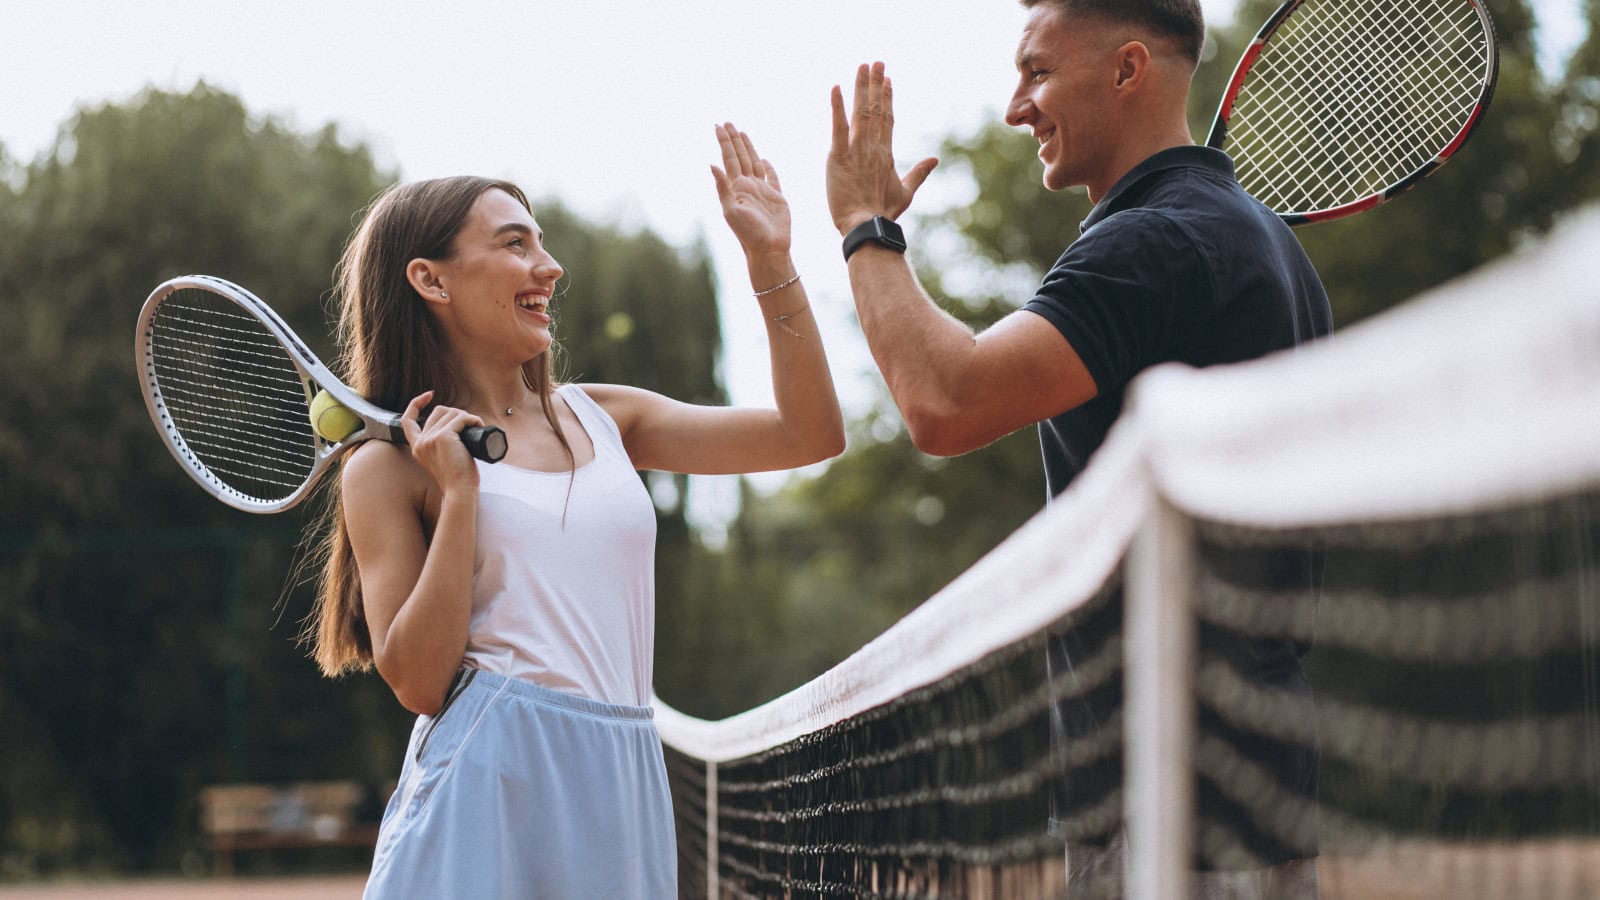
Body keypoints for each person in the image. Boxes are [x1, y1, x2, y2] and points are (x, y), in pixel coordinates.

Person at [824, 0, 1328, 896]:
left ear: (1128, 70)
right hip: (1236, 779)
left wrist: (867, 228)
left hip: (1172, 793)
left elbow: (945, 401)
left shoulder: (1159, 239)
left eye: (1037, 71)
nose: (1018, 107)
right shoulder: (1262, 244)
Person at [300, 124, 844, 898]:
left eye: (541, 245)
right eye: (516, 245)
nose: (549, 268)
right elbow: (420, 680)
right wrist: (459, 495)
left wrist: (770, 263)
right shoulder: (385, 469)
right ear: (431, 279)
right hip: (487, 781)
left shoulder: (604, 417)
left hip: (626, 772)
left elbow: (811, 433)